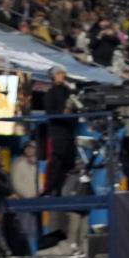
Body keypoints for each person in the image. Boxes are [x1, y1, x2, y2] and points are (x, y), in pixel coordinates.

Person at [42, 66, 77, 196]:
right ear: (54, 76)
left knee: (68, 162)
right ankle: (49, 189)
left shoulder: (68, 91)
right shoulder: (50, 93)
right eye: (59, 73)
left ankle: (61, 189)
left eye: (63, 72)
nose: (63, 75)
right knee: (56, 162)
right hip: (57, 133)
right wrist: (62, 113)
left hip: (69, 132)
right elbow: (49, 112)